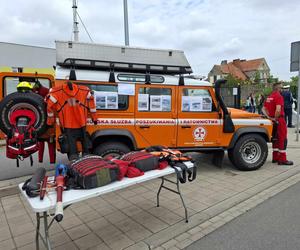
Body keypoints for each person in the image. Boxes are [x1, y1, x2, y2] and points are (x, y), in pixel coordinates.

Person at [46, 80, 97, 161]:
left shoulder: (56, 91)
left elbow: (49, 106)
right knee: (85, 143)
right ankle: (86, 155)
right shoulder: (85, 90)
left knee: (72, 148)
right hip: (82, 123)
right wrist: (94, 117)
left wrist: (50, 121)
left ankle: (74, 159)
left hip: (67, 124)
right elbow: (91, 102)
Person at [262, 82, 293, 165]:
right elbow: (278, 110)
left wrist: (269, 117)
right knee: (282, 139)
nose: (282, 89)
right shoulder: (278, 96)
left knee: (275, 139)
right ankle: (282, 159)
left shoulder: (269, 97)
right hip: (279, 120)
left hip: (271, 121)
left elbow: (263, 109)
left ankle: (275, 157)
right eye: (281, 88)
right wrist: (276, 118)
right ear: (278, 88)